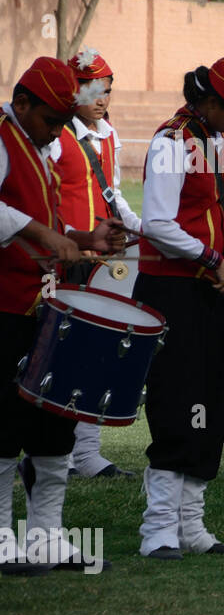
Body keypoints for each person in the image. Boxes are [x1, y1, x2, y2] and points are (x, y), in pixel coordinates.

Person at [135, 56, 224, 560]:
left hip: (209, 289)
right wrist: (214, 257)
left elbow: (206, 201)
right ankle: (158, 530)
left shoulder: (212, 138)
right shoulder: (172, 141)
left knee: (210, 400)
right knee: (177, 401)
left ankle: (192, 526)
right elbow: (157, 222)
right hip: (174, 291)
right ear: (212, 102)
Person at [1, 57, 124, 575]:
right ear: (22, 103)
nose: (58, 132)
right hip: (6, 308)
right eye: (52, 121)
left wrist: (83, 239)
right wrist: (41, 232)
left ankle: (47, 536)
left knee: (55, 423)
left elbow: (50, 226)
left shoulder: (39, 146)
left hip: (49, 309)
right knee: (4, 425)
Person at [48, 47, 144, 480]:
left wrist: (142, 228)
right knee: (57, 353)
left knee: (97, 351)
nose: (101, 99)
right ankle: (56, 453)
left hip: (103, 260)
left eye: (106, 90)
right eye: (91, 90)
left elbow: (113, 194)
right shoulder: (55, 136)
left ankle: (86, 453)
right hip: (64, 258)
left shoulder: (107, 134)